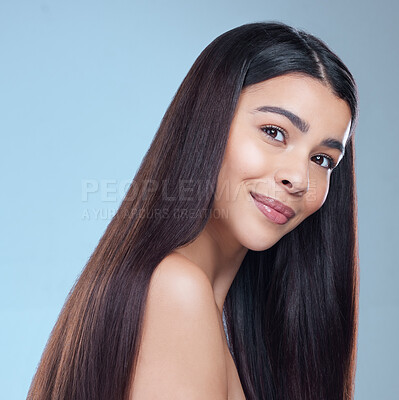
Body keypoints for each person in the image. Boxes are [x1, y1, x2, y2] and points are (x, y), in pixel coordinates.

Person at [27, 21, 359, 400]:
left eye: (322, 159)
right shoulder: (177, 291)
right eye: (274, 132)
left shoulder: (191, 300)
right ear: (210, 120)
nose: (298, 177)